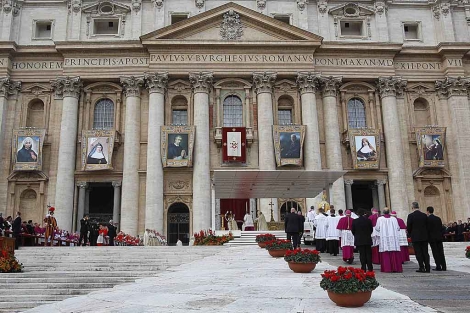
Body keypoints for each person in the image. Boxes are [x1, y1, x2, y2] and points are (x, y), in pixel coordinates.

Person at [375, 208, 402, 273]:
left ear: (383, 212)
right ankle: (396, 268)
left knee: (386, 253)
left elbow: (377, 228)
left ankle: (387, 268)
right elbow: (398, 228)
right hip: (393, 238)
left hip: (384, 238)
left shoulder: (380, 219)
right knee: (393, 252)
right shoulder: (394, 219)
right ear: (389, 212)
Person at [407, 202, 430, 273]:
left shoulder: (411, 216)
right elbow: (427, 226)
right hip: (424, 237)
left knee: (418, 252)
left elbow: (409, 227)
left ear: (413, 207)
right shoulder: (424, 215)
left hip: (415, 237)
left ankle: (421, 267)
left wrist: (411, 234)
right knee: (425, 252)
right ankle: (427, 267)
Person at [426, 207, 447, 271]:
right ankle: (444, 266)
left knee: (435, 252)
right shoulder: (438, 218)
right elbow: (441, 228)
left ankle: (438, 266)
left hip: (432, 238)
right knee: (441, 252)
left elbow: (427, 229)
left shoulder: (427, 219)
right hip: (439, 237)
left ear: (428, 211)